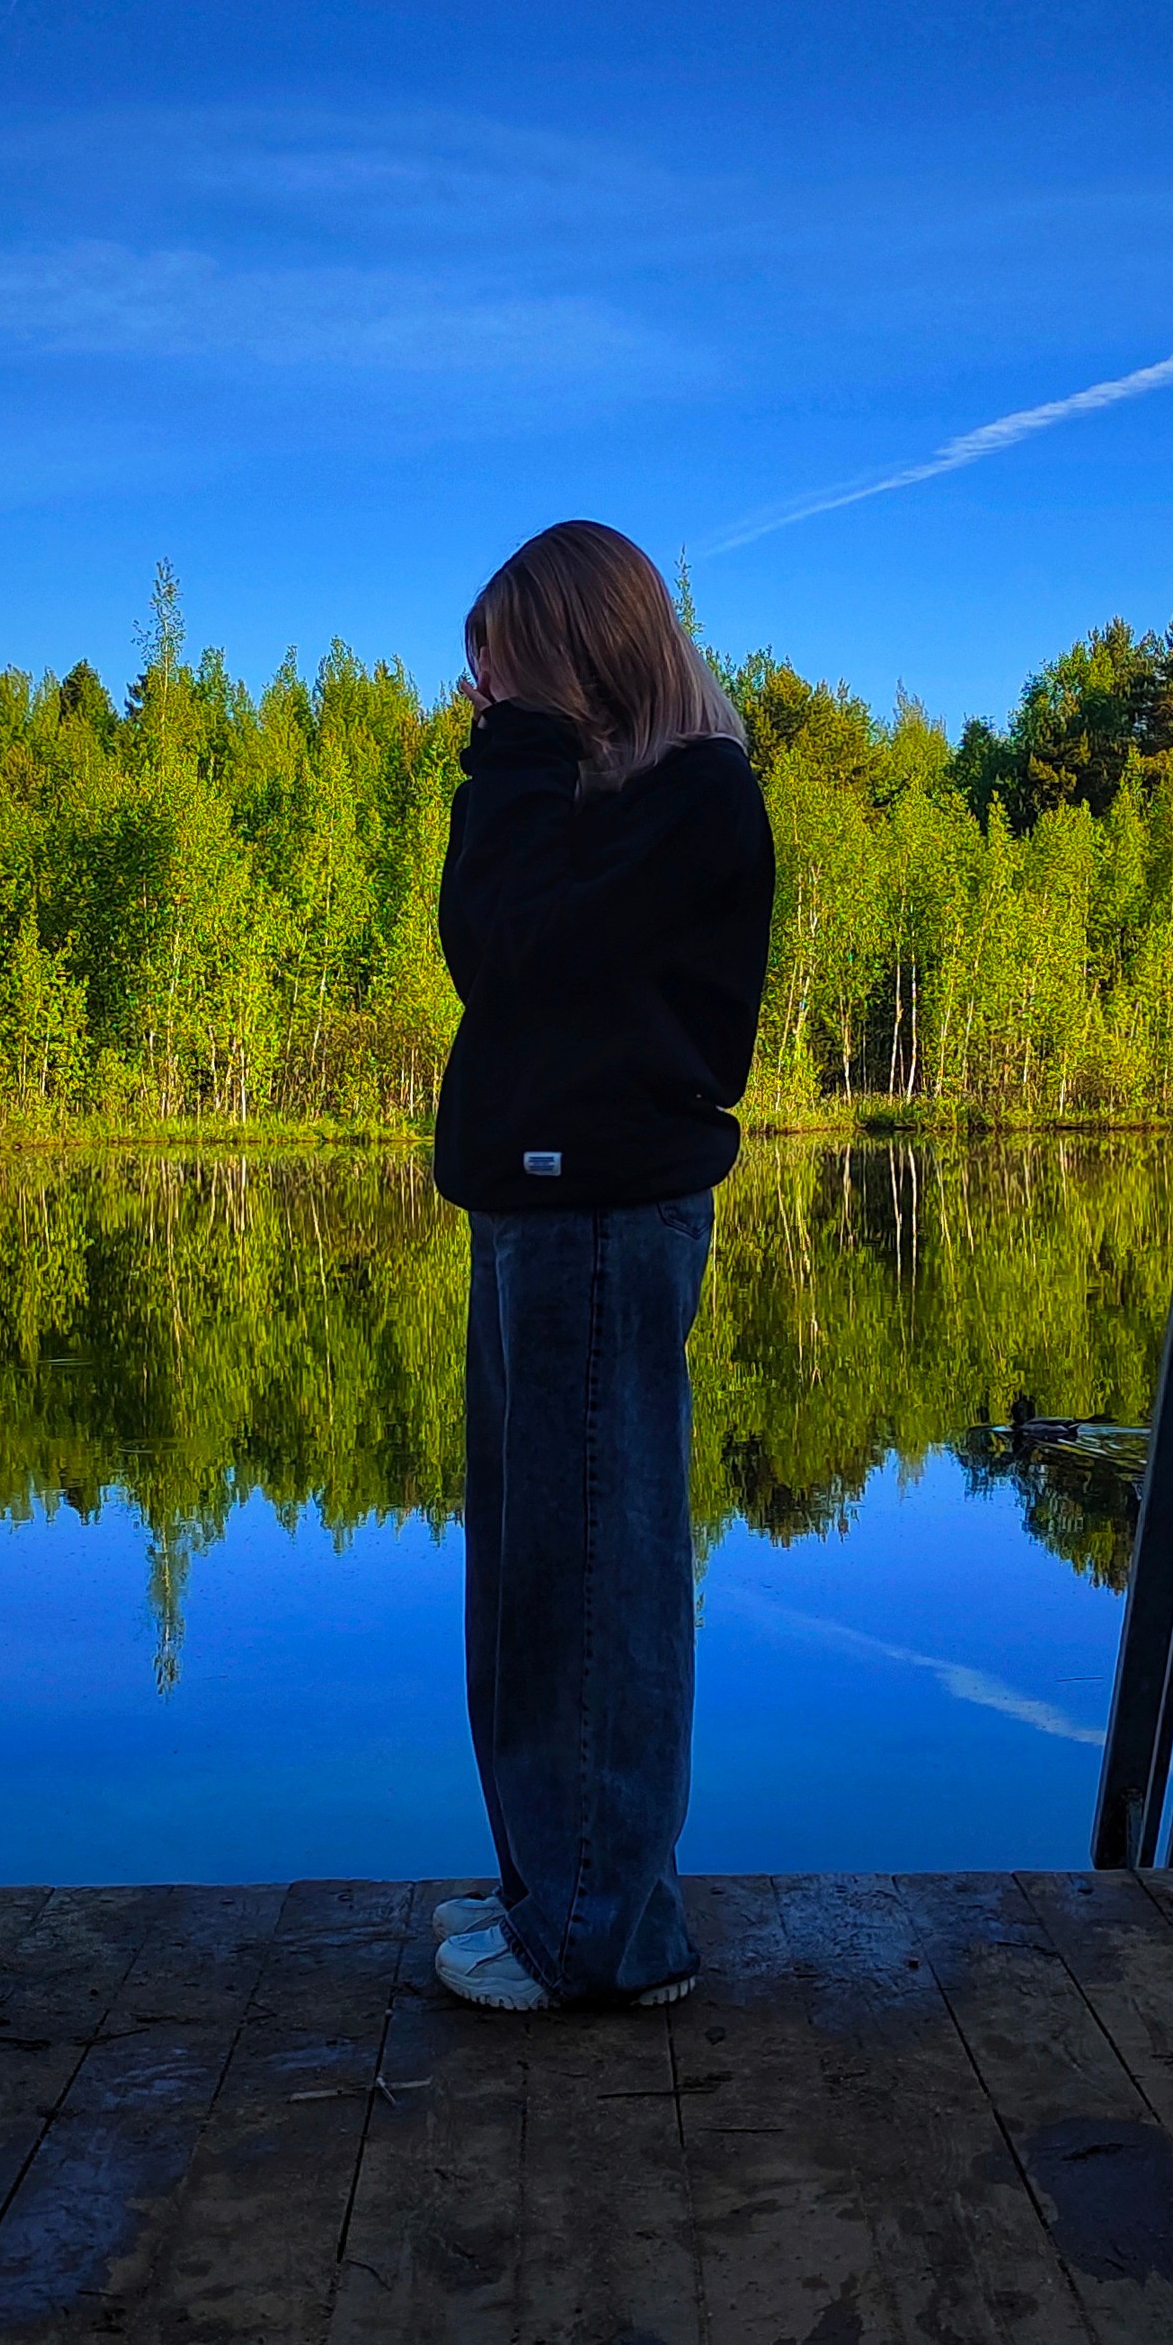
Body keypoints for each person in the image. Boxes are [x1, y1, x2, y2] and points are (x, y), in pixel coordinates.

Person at [428, 520, 775, 2014]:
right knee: (533, 1578)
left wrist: (518, 755)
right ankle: (557, 1889)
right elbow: (514, 961)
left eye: (499, 670)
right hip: (544, 1216)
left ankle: (600, 1934)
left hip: (598, 1219)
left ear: (577, 659)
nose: (480, 700)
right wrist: (531, 758)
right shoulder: (621, 802)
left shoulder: (696, 802)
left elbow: (504, 949)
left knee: (590, 1581)